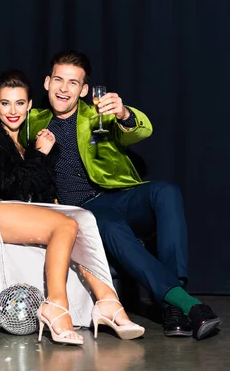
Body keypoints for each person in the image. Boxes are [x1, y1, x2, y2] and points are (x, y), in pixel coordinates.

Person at [20, 50, 221, 340]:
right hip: (83, 210)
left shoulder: (98, 113)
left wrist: (125, 114)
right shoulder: (32, 121)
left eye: (73, 83)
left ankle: (173, 301)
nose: (64, 88)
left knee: (166, 191)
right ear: (47, 82)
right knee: (109, 225)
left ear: (84, 90)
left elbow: (140, 132)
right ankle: (184, 305)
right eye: (59, 80)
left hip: (117, 195)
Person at [0, 70, 144, 345]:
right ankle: (55, 306)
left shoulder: (29, 141)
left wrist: (41, 154)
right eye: (5, 103)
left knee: (84, 218)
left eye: (20, 103)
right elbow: (12, 189)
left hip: (22, 213)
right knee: (65, 224)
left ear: (29, 104)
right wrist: (41, 155)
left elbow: (39, 191)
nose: (13, 110)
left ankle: (109, 303)